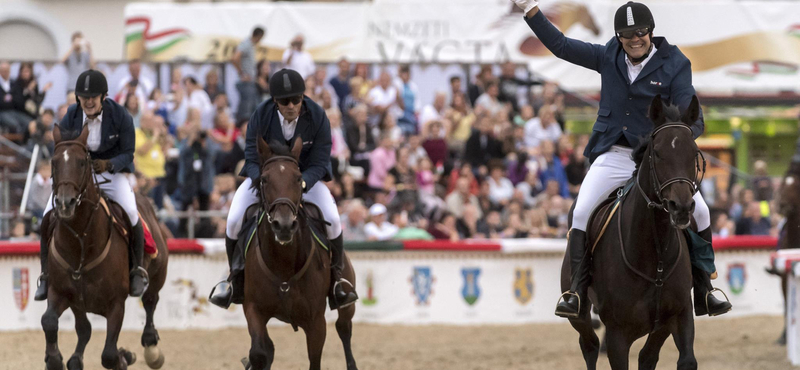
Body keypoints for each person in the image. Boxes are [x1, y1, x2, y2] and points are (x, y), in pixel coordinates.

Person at [511, 0, 731, 318]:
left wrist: (680, 137)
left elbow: (689, 111)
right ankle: (574, 290)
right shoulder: (607, 56)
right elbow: (560, 46)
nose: (635, 39)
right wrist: (531, 9)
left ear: (651, 32)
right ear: (619, 37)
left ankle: (705, 290)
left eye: (640, 32)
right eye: (627, 35)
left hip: (655, 161)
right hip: (615, 154)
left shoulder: (675, 62)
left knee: (703, 212)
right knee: (582, 210)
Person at [210, 69, 358, 310]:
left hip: (305, 179)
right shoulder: (261, 115)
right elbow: (250, 155)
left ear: (303, 97)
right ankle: (233, 277)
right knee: (234, 219)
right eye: (285, 101)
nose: (291, 105)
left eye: (296, 100)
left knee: (332, 218)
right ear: (275, 102)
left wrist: (301, 183)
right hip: (267, 180)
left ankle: (337, 280)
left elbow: (321, 162)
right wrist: (261, 181)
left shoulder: (318, 116)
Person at [34, 69, 148, 301]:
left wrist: (109, 164)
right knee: (47, 216)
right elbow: (63, 147)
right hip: (79, 177)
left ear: (103, 97)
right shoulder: (72, 115)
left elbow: (128, 153)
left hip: (112, 175)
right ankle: (45, 276)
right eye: (83, 97)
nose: (87, 102)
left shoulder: (121, 116)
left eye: (92, 97)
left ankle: (136, 270)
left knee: (132, 214)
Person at [233, 27, 265, 123]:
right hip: (246, 82)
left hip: (250, 82)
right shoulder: (246, 44)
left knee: (253, 107)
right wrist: (241, 73)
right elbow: (235, 58)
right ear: (259, 36)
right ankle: (242, 128)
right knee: (246, 110)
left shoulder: (250, 45)